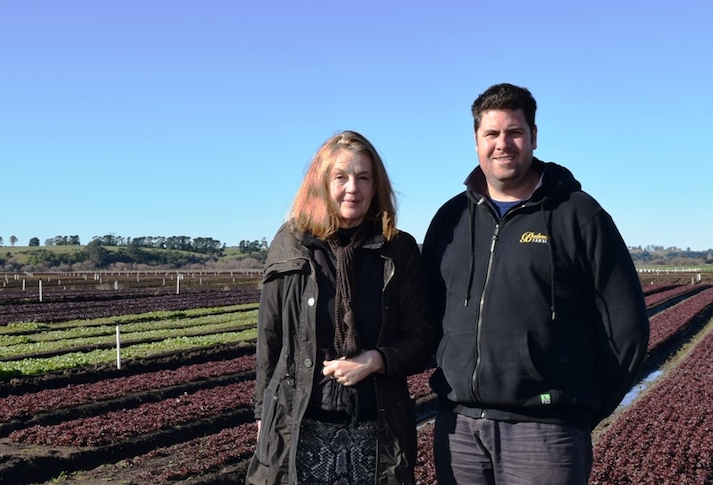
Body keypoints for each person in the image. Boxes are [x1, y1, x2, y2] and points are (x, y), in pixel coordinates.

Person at [421, 83, 650, 484]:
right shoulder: (451, 219)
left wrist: (577, 409)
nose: (503, 144)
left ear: (534, 137)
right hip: (459, 430)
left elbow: (626, 327)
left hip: (545, 431)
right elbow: (426, 313)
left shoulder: (579, 216)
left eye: (515, 132)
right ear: (476, 141)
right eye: (491, 134)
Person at [245, 130, 437, 484]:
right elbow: (269, 337)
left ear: (376, 186)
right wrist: (263, 414)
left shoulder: (398, 249)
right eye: (341, 177)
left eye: (364, 178)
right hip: (300, 425)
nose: (354, 188)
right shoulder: (291, 245)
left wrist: (376, 360)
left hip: (377, 431)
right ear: (321, 184)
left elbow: (423, 337)